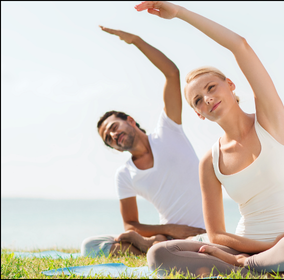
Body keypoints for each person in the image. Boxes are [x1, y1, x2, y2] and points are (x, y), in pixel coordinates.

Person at [135, 1, 284, 277]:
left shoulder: (269, 120)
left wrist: (181, 13)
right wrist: (257, 250)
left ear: (230, 85)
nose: (207, 98)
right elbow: (217, 235)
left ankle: (252, 268)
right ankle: (267, 268)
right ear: (198, 113)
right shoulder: (211, 161)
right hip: (244, 248)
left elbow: (240, 45)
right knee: (160, 253)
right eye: (198, 100)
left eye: (212, 87)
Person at [80, 26, 206, 258]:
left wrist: (136, 40)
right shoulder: (126, 175)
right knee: (89, 246)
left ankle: (151, 246)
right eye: (108, 139)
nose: (113, 136)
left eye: (113, 128)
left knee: (192, 249)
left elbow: (172, 73)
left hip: (203, 233)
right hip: (170, 235)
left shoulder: (169, 130)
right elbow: (130, 224)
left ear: (130, 120)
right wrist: (170, 229)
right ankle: (154, 244)